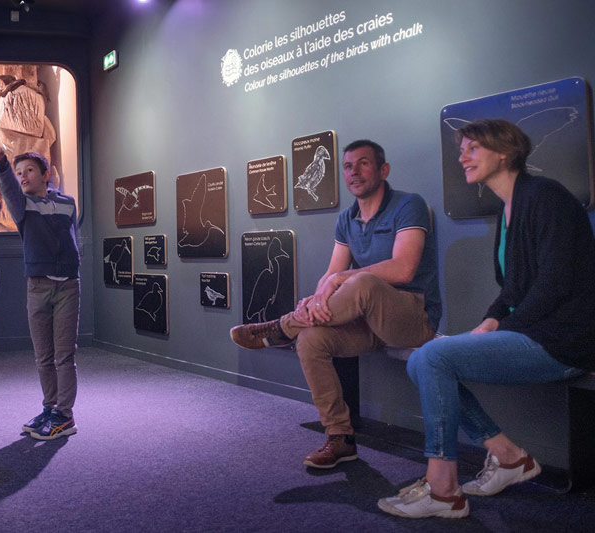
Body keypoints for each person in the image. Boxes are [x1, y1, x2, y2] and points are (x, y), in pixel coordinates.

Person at [378, 119, 595, 519]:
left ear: (505, 152)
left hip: (564, 342)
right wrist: (486, 326)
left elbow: (555, 284)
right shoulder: (510, 208)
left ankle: (444, 490)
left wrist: (502, 330)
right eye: (462, 148)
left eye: (472, 148)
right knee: (424, 359)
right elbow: (512, 292)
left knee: (430, 358)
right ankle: (507, 456)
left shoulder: (546, 197)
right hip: (534, 334)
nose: (462, 156)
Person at [230, 140, 441, 469]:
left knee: (362, 281)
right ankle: (340, 437)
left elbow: (403, 268)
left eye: (363, 164)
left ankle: (281, 327)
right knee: (312, 339)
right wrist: (317, 298)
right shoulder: (347, 218)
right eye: (347, 166)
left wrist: (339, 280)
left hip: (412, 317)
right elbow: (332, 273)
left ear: (383, 170)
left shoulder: (408, 205)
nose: (354, 172)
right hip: (368, 323)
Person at [0, 140, 81, 441]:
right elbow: (9, 189)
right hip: (37, 287)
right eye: (19, 172)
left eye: (29, 170)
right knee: (43, 356)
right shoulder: (22, 205)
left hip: (67, 286)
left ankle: (64, 416)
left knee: (63, 356)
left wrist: (72, 266)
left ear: (46, 174)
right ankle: (50, 407)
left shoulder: (67, 203)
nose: (23, 176)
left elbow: (72, 238)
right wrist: (1, 164)